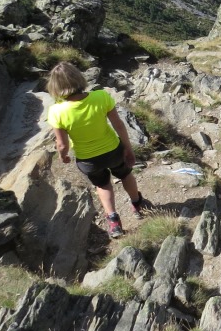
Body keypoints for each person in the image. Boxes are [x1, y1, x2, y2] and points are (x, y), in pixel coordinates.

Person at [46, 62, 151, 238]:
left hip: (88, 159)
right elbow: (119, 125)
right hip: (113, 150)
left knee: (102, 185)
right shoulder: (101, 96)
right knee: (125, 175)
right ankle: (137, 204)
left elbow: (62, 144)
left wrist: (63, 156)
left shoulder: (56, 111)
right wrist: (128, 148)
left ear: (55, 86)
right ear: (78, 78)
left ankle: (114, 220)